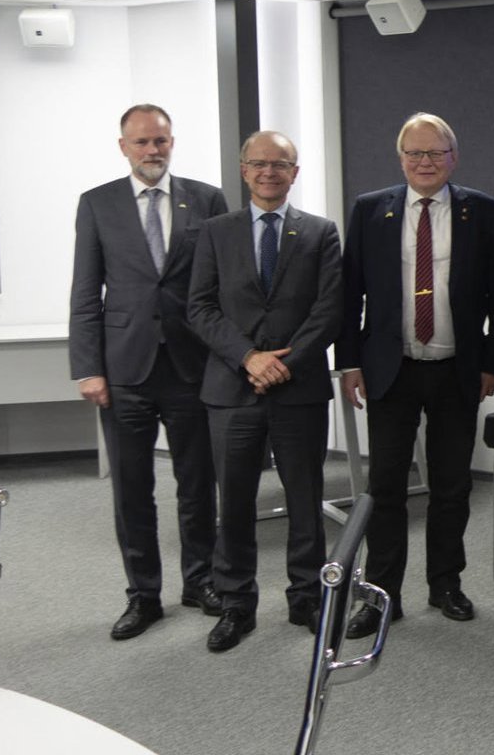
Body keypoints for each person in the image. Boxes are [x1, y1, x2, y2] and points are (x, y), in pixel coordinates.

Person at [337, 113, 494, 637]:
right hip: (391, 370)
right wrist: (349, 361)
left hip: (456, 369)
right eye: (415, 153)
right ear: (401, 158)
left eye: (435, 153)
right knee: (385, 487)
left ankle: (446, 584)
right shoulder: (371, 211)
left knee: (452, 487)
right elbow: (350, 293)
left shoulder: (482, 211)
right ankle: (382, 595)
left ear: (453, 158)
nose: (425, 163)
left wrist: (491, 362)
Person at [69, 104, 227, 640]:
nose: (152, 151)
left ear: (172, 142)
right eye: (141, 143)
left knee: (197, 484)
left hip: (191, 367)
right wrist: (88, 368)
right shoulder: (98, 204)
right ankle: (143, 595)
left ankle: (200, 580)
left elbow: (221, 289)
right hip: (125, 371)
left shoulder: (205, 199)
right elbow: (86, 292)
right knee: (132, 489)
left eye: (160, 140)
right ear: (123, 147)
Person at [187, 131, 343, 652]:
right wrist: (248, 358)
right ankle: (235, 603)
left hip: (298, 390)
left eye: (281, 164)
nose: (269, 172)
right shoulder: (214, 232)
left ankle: (307, 598)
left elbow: (329, 311)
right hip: (231, 390)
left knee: (305, 500)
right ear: (243, 169)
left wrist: (285, 363)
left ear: (295, 173)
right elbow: (201, 307)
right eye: (259, 163)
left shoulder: (321, 233)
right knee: (233, 502)